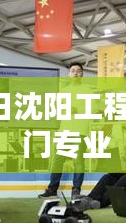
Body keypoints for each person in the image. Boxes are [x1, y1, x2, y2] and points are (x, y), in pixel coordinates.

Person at [38, 62, 90, 200]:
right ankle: (52, 189)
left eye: (78, 71)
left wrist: (75, 109)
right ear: (69, 74)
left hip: (80, 130)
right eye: (73, 71)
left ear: (82, 74)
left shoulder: (87, 90)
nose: (75, 73)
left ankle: (76, 190)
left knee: (78, 162)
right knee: (57, 160)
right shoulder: (63, 91)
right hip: (64, 130)